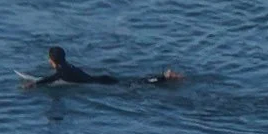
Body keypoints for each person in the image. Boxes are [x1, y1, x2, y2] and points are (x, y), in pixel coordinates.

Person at [25, 46, 183, 87]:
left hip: (101, 84)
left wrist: (35, 83)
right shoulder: (67, 66)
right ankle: (163, 78)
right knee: (134, 81)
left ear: (53, 61)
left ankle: (164, 78)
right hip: (101, 79)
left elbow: (51, 78)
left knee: (135, 84)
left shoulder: (62, 72)